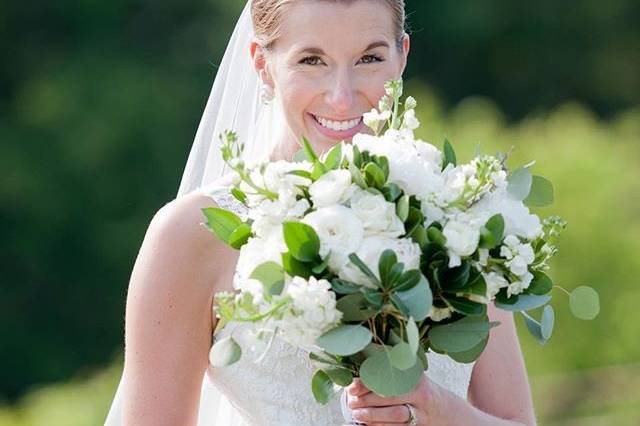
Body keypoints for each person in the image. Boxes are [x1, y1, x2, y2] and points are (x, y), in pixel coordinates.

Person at [104, 1, 537, 425]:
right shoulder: (192, 234)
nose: (343, 97)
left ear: (402, 56)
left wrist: (436, 408)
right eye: (312, 60)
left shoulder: (455, 215)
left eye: (369, 58)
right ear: (261, 63)